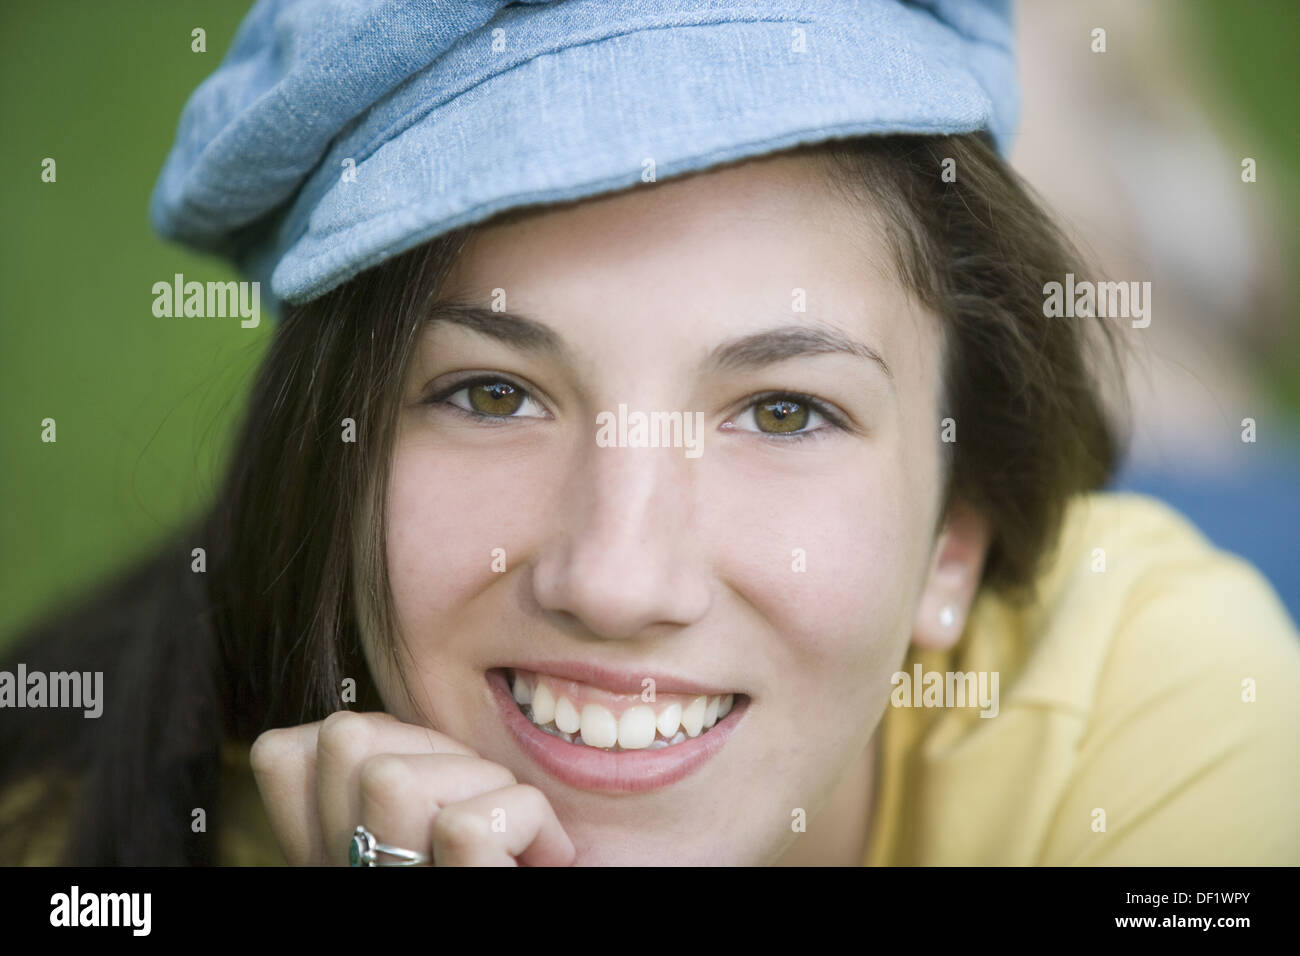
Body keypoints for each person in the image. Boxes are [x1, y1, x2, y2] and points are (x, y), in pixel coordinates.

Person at [2, 0, 1298, 867]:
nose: (617, 582)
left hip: (1215, 511)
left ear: (957, 543)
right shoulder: (92, 837)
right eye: (492, 395)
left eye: (785, 410)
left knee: (1166, 388)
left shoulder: (1170, 719)